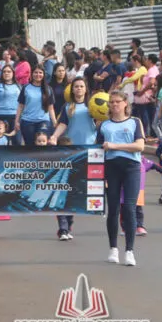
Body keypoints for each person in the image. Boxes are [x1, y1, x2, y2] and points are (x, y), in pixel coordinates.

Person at [96, 91, 145, 266]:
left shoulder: (134, 122)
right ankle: (113, 248)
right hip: (111, 167)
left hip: (131, 167)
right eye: (112, 102)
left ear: (125, 103)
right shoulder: (104, 125)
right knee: (113, 208)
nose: (114, 105)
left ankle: (130, 251)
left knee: (130, 208)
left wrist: (115, 146)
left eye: (118, 102)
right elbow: (97, 150)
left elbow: (140, 146)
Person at [49, 76, 97, 240]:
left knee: (77, 190)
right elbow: (62, 124)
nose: (78, 89)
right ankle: (62, 228)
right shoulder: (68, 107)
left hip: (89, 151)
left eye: (81, 86)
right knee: (64, 188)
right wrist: (54, 137)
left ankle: (68, 223)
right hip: (70, 151)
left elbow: (100, 124)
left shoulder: (93, 106)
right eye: (76, 86)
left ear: (86, 89)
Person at [16, 67, 56, 146]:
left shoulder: (48, 89)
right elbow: (20, 106)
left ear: (44, 75)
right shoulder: (26, 88)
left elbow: (51, 108)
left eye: (40, 72)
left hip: (44, 120)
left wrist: (54, 122)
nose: (38, 74)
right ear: (32, 74)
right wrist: (16, 121)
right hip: (27, 121)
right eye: (36, 72)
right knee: (30, 146)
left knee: (43, 144)